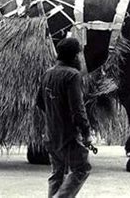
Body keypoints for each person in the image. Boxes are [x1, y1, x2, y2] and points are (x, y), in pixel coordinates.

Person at [36, 37, 93, 198]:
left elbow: (40, 102)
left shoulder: (47, 74)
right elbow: (78, 110)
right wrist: (86, 133)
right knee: (82, 168)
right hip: (68, 136)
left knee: (57, 174)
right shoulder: (73, 75)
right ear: (75, 56)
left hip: (50, 133)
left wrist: (55, 115)